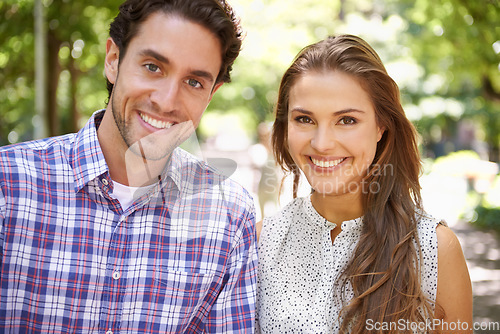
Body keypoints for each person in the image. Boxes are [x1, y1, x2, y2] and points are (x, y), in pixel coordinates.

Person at [0, 1, 258, 333]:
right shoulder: (9, 185)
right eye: (153, 66)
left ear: (211, 95)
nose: (166, 101)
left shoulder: (230, 217)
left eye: (194, 82)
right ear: (113, 60)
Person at [256, 35, 472, 333]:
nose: (321, 143)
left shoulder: (435, 248)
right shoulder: (261, 241)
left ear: (381, 126)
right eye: (304, 119)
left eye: (346, 120)